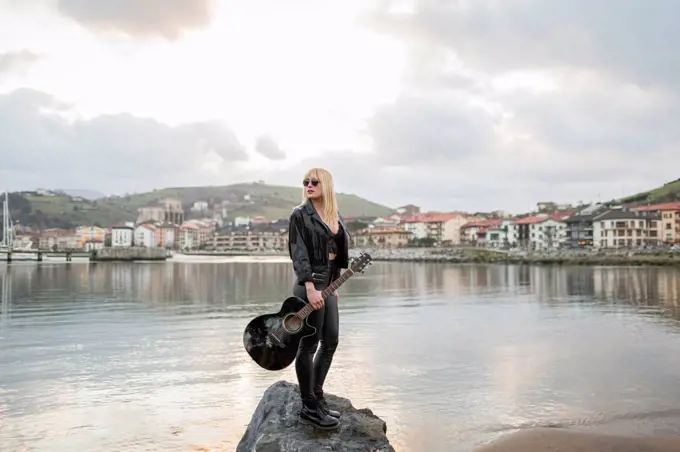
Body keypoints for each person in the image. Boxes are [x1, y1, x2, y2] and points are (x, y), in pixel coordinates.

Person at [287, 168, 349, 430]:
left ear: (326, 185)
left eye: (314, 181)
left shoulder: (334, 215)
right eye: (306, 182)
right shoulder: (299, 214)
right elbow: (298, 252)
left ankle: (318, 397)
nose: (309, 185)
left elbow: (335, 250)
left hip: (328, 283)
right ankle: (308, 407)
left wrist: (334, 282)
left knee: (331, 340)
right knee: (309, 344)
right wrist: (311, 287)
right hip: (309, 285)